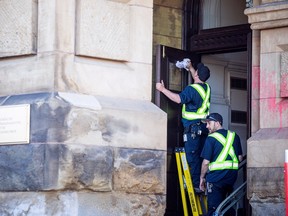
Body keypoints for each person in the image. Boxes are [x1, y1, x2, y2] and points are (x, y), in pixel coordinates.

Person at [155, 59, 211, 191]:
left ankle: (196, 185)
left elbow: (178, 99)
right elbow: (197, 77)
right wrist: (191, 67)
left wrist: (162, 89)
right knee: (200, 156)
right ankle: (202, 183)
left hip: (192, 129)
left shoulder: (191, 89)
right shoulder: (206, 88)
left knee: (192, 157)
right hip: (203, 128)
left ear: (197, 74)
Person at [199, 113, 243, 216]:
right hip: (231, 179)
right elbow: (240, 158)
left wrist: (202, 178)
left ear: (218, 123)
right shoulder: (234, 136)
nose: (207, 126)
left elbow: (205, 163)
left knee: (214, 210)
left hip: (215, 179)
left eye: (209, 123)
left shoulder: (211, 138)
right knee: (226, 208)